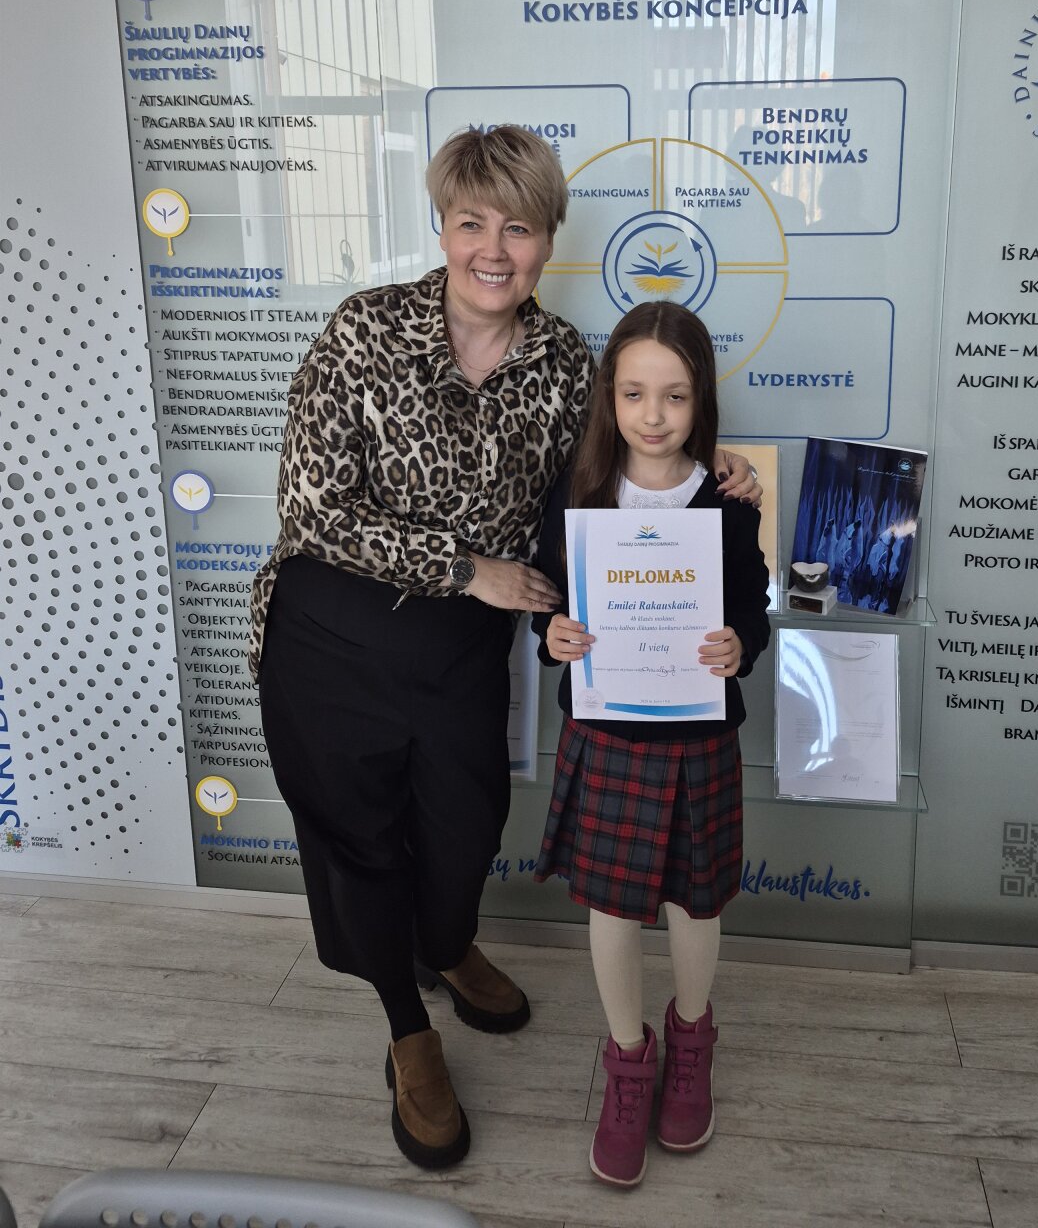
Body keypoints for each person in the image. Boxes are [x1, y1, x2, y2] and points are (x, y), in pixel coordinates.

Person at [247, 126, 759, 1170]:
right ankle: (408, 1031)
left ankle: (446, 943)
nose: (493, 248)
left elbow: (614, 478)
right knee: (360, 842)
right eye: (471, 222)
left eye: (517, 228)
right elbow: (313, 509)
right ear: (441, 226)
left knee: (464, 827)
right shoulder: (363, 330)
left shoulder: (567, 361)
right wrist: (465, 568)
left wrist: (724, 473)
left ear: (547, 241)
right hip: (331, 632)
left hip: (458, 652)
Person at [531, 301, 771, 1188]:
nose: (654, 414)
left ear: (700, 399)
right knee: (611, 905)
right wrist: (552, 634)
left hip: (697, 734)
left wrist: (741, 645)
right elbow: (550, 598)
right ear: (610, 396)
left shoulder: (727, 498)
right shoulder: (579, 490)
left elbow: (752, 609)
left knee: (695, 903)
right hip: (608, 731)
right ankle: (628, 1063)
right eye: (634, 393)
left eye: (674, 395)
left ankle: (692, 1042)